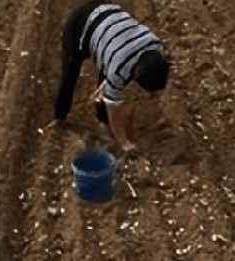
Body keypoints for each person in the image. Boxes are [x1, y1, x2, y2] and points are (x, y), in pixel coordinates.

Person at [54, 1, 170, 152]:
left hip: (110, 18)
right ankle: (59, 117)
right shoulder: (119, 68)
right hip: (79, 26)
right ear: (136, 73)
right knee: (70, 74)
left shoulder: (156, 47)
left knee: (111, 76)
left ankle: (102, 121)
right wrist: (123, 142)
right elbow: (113, 107)